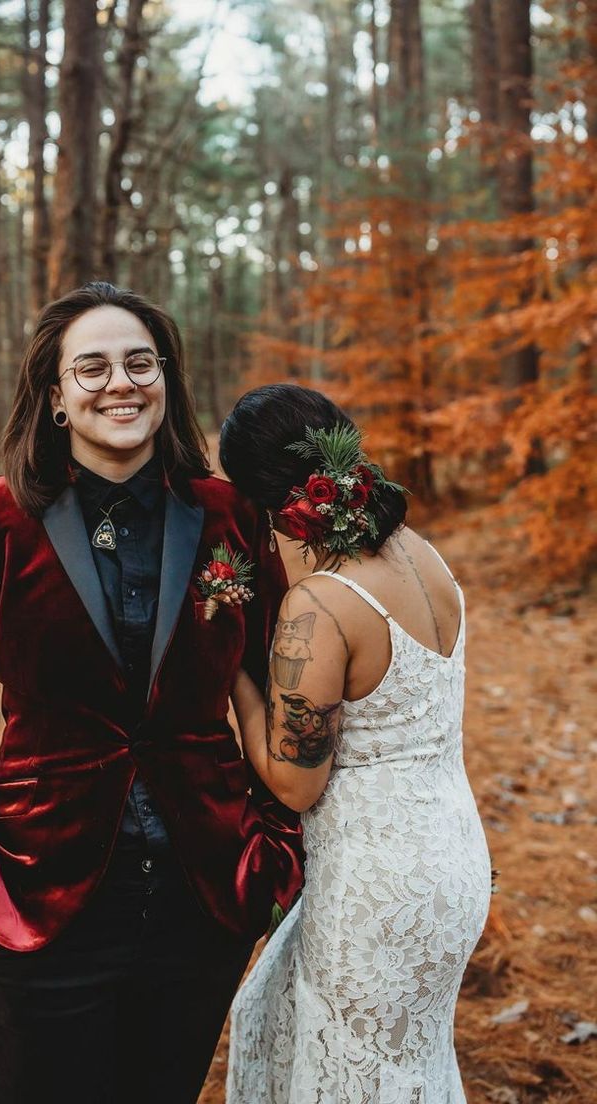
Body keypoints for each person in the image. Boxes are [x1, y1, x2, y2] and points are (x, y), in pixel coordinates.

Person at [0, 284, 303, 1104]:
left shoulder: (230, 515)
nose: (120, 383)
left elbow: (277, 688)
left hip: (204, 889)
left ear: (166, 379)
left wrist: (273, 853)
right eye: (91, 367)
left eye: (138, 362)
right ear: (55, 396)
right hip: (36, 893)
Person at [220, 384, 491, 1103]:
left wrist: (234, 680)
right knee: (396, 1062)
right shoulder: (419, 553)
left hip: (378, 885)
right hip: (453, 858)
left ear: (261, 500)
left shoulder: (321, 607)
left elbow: (295, 782)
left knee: (354, 1076)